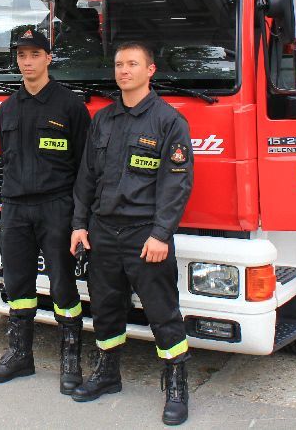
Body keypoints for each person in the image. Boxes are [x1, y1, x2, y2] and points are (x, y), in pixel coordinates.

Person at [70, 41, 194, 426]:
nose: (124, 70)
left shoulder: (168, 121)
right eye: (120, 64)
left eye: (133, 64)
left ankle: (176, 386)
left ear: (150, 70)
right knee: (106, 309)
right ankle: (108, 373)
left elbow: (177, 183)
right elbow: (86, 177)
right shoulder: (103, 120)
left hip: (145, 237)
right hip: (103, 232)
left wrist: (161, 234)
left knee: (162, 312)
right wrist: (79, 225)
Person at [0, 29, 90, 395]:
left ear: (48, 58)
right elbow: (7, 159)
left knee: (63, 284)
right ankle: (20, 354)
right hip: (15, 209)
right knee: (17, 284)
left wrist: (80, 219)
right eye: (21, 55)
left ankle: (71, 360)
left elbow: (85, 169)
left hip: (56, 207)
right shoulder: (7, 109)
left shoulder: (70, 106)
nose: (27, 61)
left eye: (34, 54)